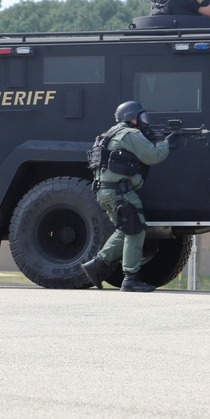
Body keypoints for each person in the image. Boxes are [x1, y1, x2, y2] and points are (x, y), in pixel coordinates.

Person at [81, 101, 171, 292]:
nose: (143, 121)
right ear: (132, 117)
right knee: (135, 229)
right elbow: (154, 156)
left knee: (125, 229)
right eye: (141, 117)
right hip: (119, 192)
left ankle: (96, 266)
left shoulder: (109, 133)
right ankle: (130, 278)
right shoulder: (130, 134)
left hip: (104, 191)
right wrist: (165, 143)